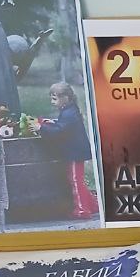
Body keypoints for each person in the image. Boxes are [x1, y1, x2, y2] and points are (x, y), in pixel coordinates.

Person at [38, 81, 99, 219]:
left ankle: (83, 210)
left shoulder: (69, 113)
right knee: (77, 179)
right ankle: (93, 205)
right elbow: (63, 126)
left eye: (55, 99)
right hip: (75, 152)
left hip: (75, 153)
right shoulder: (69, 110)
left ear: (65, 98)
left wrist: (41, 128)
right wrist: (53, 122)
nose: (52, 102)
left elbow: (59, 131)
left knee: (76, 180)